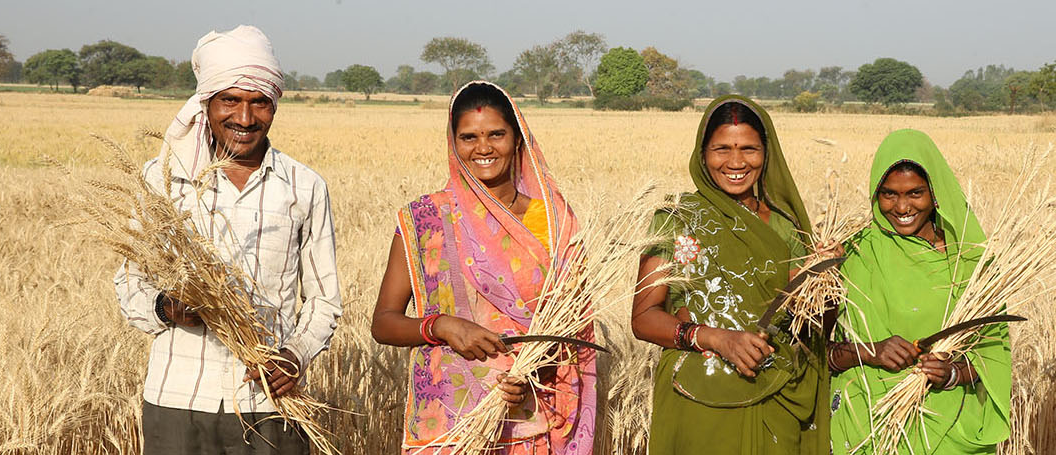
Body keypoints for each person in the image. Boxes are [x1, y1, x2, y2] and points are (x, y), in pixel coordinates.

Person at [113, 25, 341, 454]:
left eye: (259, 102)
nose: (244, 118)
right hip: (177, 401)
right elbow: (129, 283)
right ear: (207, 103)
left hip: (270, 404)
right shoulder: (162, 180)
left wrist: (294, 356)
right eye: (230, 101)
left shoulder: (304, 187)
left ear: (274, 104)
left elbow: (324, 301)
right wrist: (167, 307)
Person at [370, 81, 597, 455]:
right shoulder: (426, 220)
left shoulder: (553, 223)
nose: (483, 148)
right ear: (453, 144)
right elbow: (384, 322)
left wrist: (529, 373)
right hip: (446, 425)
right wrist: (443, 325)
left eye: (496, 134)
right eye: (469, 137)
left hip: (529, 419)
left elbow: (574, 326)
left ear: (518, 140)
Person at [631, 96, 830, 455]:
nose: (736, 162)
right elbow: (644, 318)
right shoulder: (677, 219)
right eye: (722, 148)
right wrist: (717, 339)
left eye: (749, 149)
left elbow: (811, 324)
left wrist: (826, 277)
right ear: (702, 153)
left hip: (776, 392)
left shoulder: (786, 227)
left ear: (766, 153)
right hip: (697, 397)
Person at [828, 129, 1012, 455]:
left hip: (946, 431)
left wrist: (952, 373)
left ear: (935, 193)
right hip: (865, 426)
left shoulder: (968, 261)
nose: (901, 207)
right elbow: (817, 354)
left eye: (915, 193)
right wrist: (868, 351)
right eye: (888, 194)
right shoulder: (852, 254)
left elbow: (992, 355)